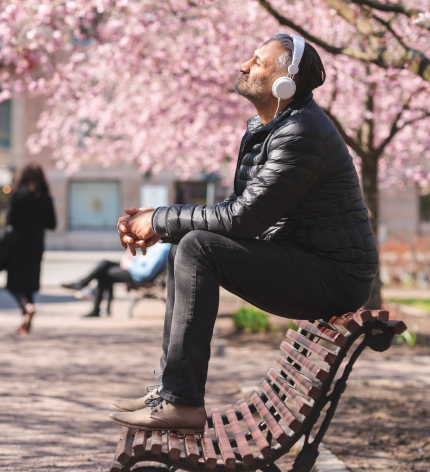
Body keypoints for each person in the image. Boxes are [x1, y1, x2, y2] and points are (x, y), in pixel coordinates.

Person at [108, 34, 378, 434]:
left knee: (198, 246)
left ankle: (182, 401)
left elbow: (240, 220)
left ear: (285, 81)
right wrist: (159, 225)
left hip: (335, 276)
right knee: (192, 242)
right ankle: (171, 391)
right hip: (313, 263)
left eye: (257, 61)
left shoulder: (300, 133)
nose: (243, 66)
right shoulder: (273, 128)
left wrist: (160, 220)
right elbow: (235, 216)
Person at [5, 163, 56, 335]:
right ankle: (27, 318)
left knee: (14, 284)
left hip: (18, 245)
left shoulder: (18, 195)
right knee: (29, 283)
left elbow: (9, 219)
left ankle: (27, 307)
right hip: (36, 246)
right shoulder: (46, 198)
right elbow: (52, 224)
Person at [61, 242, 171, 317]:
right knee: (104, 263)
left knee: (105, 274)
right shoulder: (159, 244)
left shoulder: (163, 248)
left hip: (136, 275)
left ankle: (94, 305)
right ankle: (83, 285)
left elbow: (146, 273)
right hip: (133, 268)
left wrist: (129, 265)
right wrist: (130, 260)